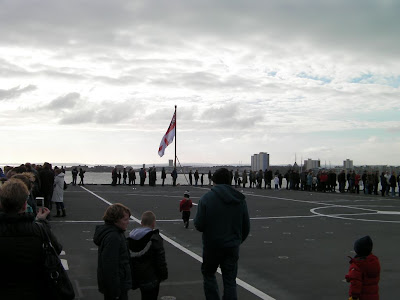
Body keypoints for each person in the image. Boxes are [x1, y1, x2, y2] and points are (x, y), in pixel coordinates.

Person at [0, 178, 62, 300]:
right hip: (34, 290)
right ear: (24, 205)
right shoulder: (39, 230)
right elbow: (56, 249)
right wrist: (42, 222)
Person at [194, 168, 250, 300]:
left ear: (214, 181)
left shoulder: (206, 199)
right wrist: (236, 240)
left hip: (212, 246)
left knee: (209, 275)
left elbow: (199, 225)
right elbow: (246, 227)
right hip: (231, 247)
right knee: (230, 281)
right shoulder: (239, 200)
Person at [93, 203, 132, 300]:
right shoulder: (113, 237)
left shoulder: (116, 233)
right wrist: (115, 291)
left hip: (117, 284)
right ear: (115, 220)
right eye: (125, 219)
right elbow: (110, 266)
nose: (128, 222)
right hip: (117, 287)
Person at [128, 211, 168, 300]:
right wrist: (163, 275)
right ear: (154, 223)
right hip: (151, 277)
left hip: (136, 275)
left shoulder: (131, 237)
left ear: (141, 223)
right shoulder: (155, 238)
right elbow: (160, 259)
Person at [345, 235, 380, 300]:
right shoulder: (374, 262)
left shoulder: (357, 265)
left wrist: (354, 297)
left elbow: (356, 283)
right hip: (374, 296)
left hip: (362, 297)